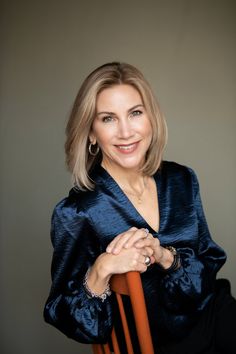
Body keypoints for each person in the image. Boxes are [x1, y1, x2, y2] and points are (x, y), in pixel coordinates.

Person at [44, 62, 236, 354]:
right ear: (91, 133)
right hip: (159, 346)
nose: (125, 132)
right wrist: (101, 270)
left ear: (151, 119)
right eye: (108, 118)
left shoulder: (182, 179)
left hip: (215, 314)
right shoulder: (76, 212)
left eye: (135, 113)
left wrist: (164, 255)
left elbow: (207, 268)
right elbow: (69, 316)